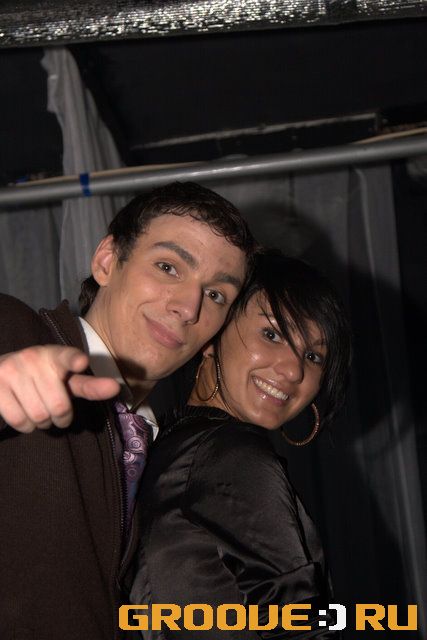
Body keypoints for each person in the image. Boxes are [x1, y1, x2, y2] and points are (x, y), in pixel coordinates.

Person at [0, 181, 254, 640]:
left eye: (216, 294)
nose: (189, 307)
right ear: (106, 261)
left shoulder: (160, 448)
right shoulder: (13, 329)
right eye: (168, 267)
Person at [129, 250, 352, 639]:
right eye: (272, 335)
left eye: (313, 356)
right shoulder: (232, 456)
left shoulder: (172, 447)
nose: (293, 370)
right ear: (211, 336)